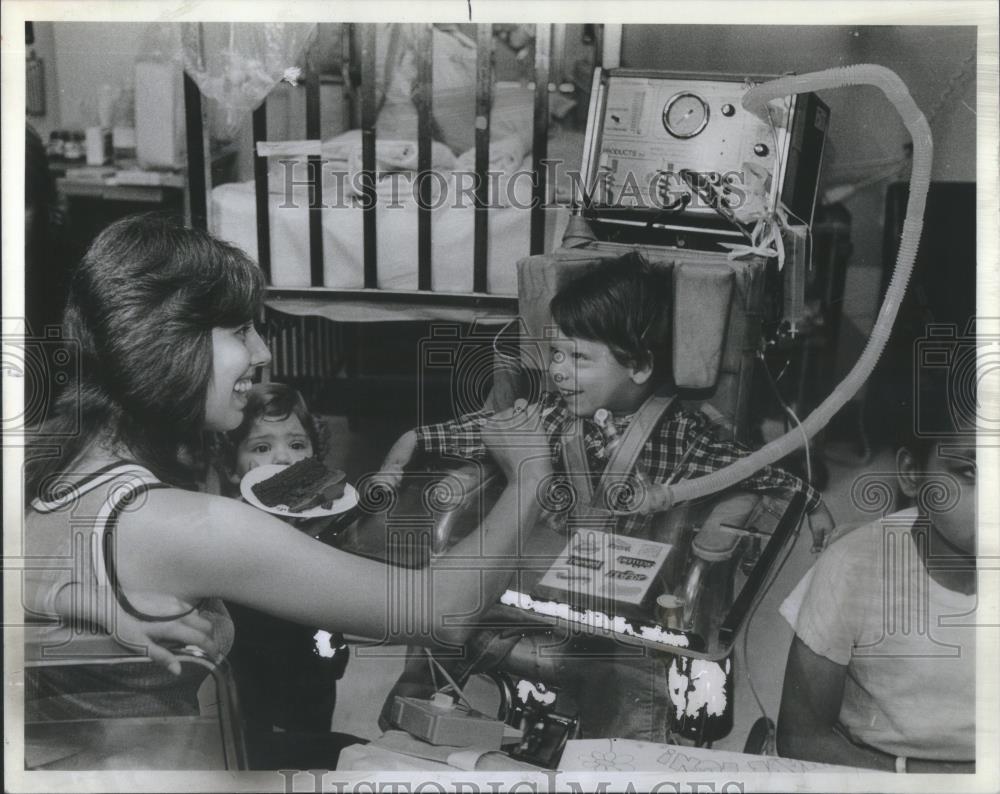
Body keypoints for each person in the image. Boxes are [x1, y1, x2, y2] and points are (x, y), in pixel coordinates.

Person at [22, 213, 553, 769]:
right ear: (167, 345)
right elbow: (440, 611)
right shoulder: (183, 525)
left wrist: (73, 600)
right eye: (239, 332)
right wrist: (531, 477)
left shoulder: (48, 460)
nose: (262, 353)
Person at [378, 252, 834, 741]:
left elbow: (759, 469)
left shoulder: (682, 434)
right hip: (545, 586)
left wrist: (812, 506)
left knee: (633, 719)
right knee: (450, 617)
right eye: (554, 354)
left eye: (578, 358)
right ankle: (425, 701)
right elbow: (479, 431)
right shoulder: (551, 417)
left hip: (630, 608)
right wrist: (408, 448)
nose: (558, 371)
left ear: (637, 366)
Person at [777, 373, 976, 772]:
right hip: (875, 771)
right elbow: (801, 736)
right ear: (913, 474)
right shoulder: (853, 567)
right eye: (969, 473)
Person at [218, 383, 349, 748]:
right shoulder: (227, 537)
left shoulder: (326, 532)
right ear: (232, 468)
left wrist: (331, 652)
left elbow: (332, 624)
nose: (284, 458)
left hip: (313, 688)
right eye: (262, 448)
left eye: (297, 445)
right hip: (248, 693)